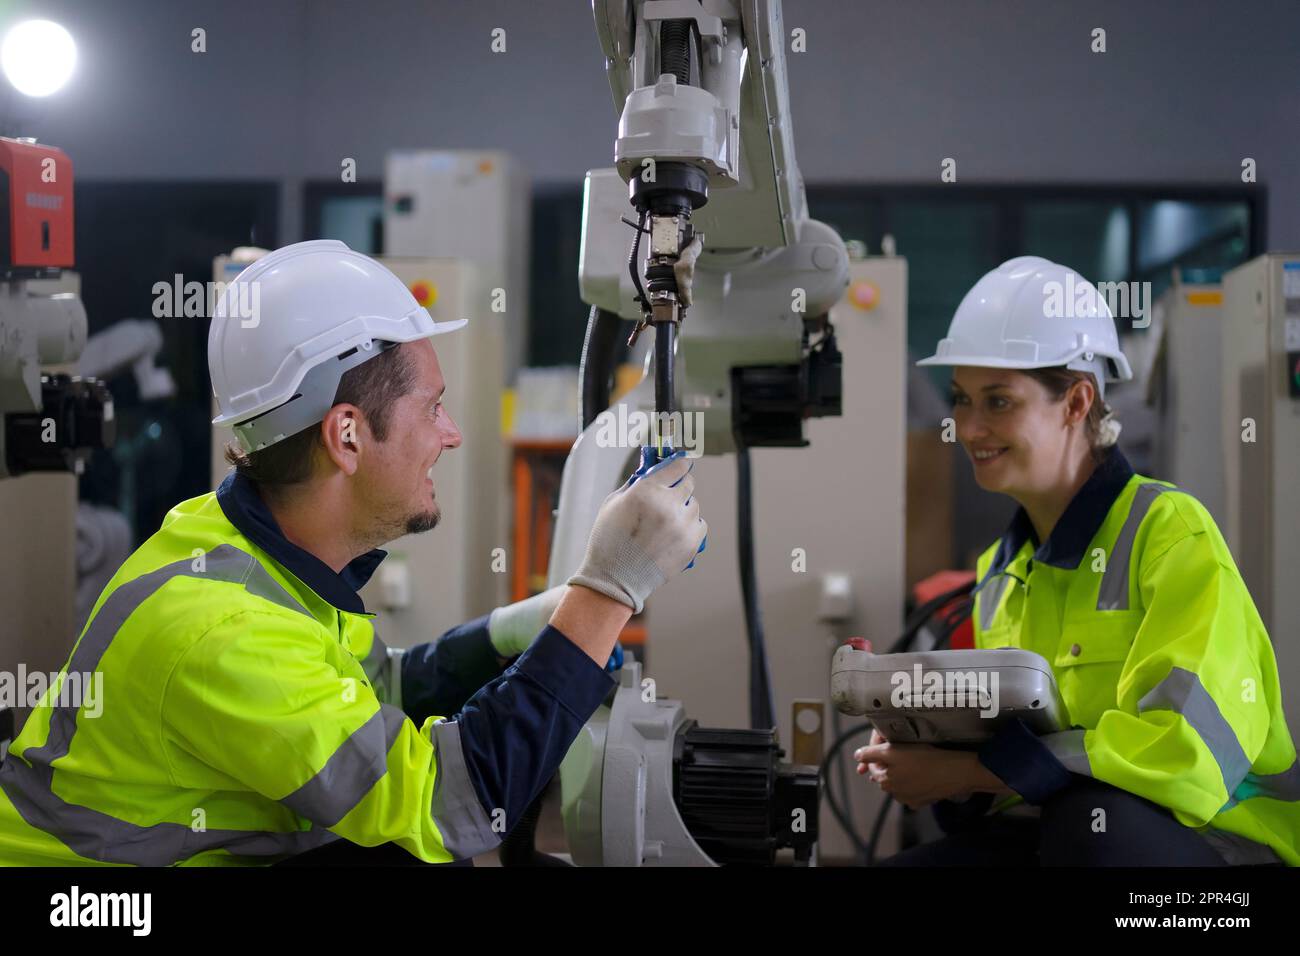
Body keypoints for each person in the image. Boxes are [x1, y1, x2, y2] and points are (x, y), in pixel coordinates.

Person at [0, 239, 707, 866]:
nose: (452, 433)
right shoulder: (226, 631)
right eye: (433, 407)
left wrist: (509, 633)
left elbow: (363, 700)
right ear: (346, 436)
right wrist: (608, 591)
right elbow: (452, 806)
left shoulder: (242, 543)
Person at [855, 256, 1298, 866]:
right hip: (1061, 839)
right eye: (961, 398)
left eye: (999, 401)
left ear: (1076, 402)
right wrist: (924, 752)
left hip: (1218, 856)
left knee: (1091, 826)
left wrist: (973, 770)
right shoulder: (999, 574)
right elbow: (1013, 774)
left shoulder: (1169, 532)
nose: (969, 426)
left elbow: (1187, 753)